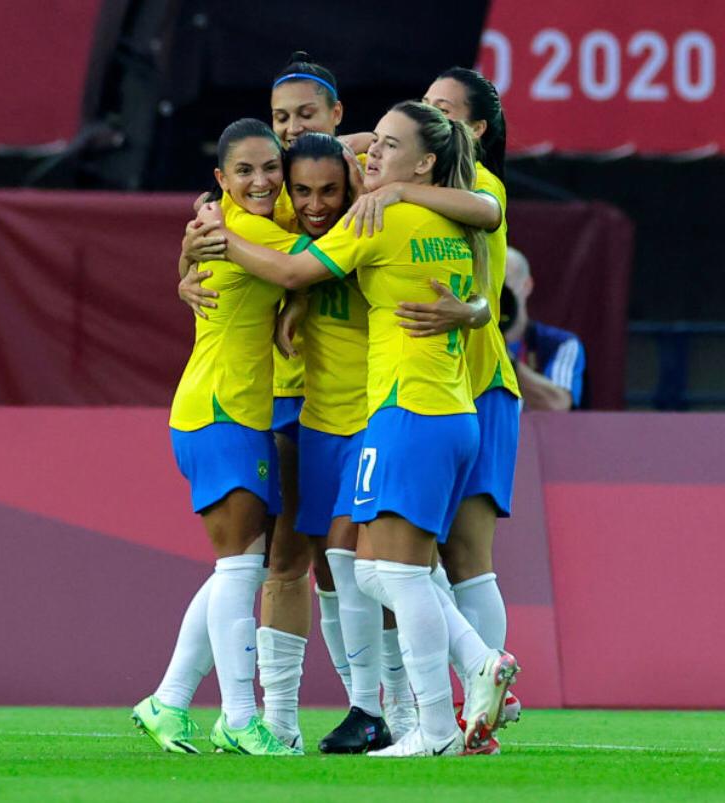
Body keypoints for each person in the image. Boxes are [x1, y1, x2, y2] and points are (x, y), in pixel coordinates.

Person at [198, 101, 520, 758]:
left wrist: (220, 238)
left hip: (406, 410)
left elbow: (292, 269)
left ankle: (440, 719)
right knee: (377, 569)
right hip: (455, 410)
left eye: (390, 145)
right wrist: (471, 307)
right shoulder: (453, 216)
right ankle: (463, 678)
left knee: (392, 575)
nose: (375, 153)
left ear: (424, 161)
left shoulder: (383, 217)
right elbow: (484, 278)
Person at [132, 118, 306, 756]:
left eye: (270, 169)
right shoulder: (239, 227)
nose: (260, 181)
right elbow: (299, 269)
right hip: (220, 410)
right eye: (245, 172)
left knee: (239, 568)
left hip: (228, 411)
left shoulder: (222, 221)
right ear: (220, 180)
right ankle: (238, 716)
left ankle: (169, 700)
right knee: (240, 569)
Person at [504, 246, 586, 411]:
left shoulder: (561, 344)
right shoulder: (464, 339)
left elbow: (559, 404)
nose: (496, 294)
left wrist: (502, 357)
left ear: (527, 285)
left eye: (503, 283)